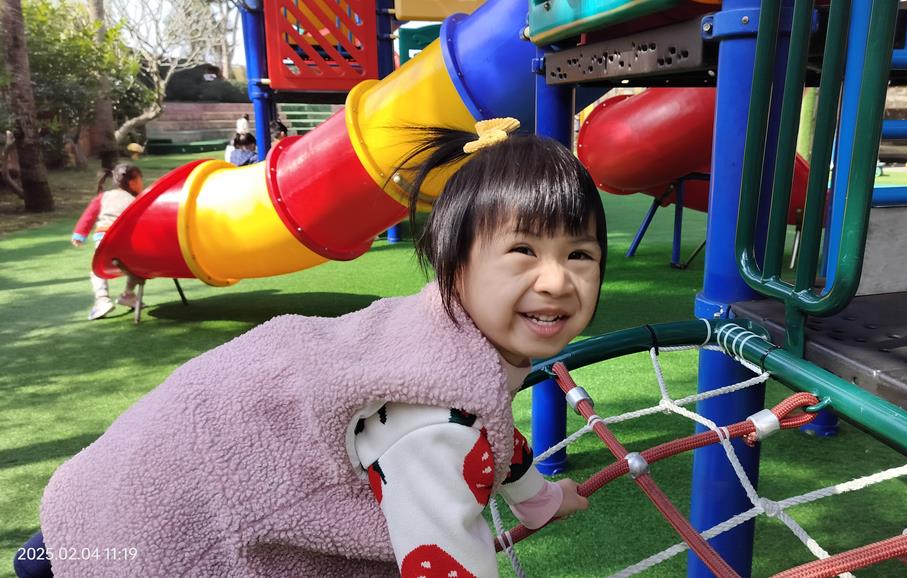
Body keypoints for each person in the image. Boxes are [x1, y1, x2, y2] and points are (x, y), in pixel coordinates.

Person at [20, 118, 605, 577]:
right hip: (150, 534)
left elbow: (491, 425)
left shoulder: (442, 337)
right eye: (523, 252)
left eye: (580, 254)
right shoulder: (434, 424)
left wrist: (539, 500)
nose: (557, 281)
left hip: (122, 478)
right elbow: (444, 559)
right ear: (455, 267)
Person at [70, 163, 145, 321]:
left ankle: (102, 299)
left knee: (97, 270)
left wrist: (79, 235)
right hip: (126, 241)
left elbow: (89, 215)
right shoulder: (137, 200)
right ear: (132, 183)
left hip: (104, 240)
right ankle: (128, 294)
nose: (142, 184)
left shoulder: (104, 196)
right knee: (137, 268)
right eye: (140, 180)